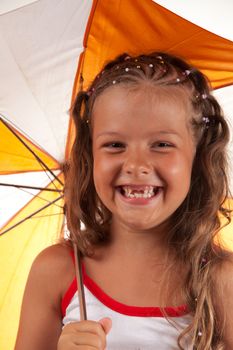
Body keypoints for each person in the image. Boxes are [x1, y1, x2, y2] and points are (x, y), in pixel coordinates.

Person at [14, 52, 233, 350]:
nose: (136, 164)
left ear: (197, 158)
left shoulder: (221, 282)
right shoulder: (57, 272)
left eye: (162, 144)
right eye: (115, 145)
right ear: (91, 157)